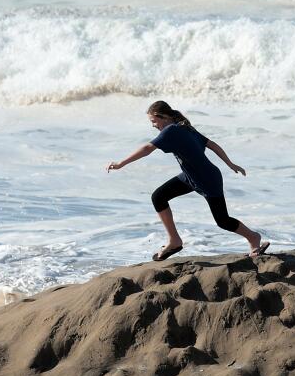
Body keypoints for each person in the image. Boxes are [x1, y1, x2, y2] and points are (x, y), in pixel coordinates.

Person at [106, 100, 269, 261]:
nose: (153, 125)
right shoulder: (184, 128)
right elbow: (211, 144)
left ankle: (253, 237)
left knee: (223, 220)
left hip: (207, 179)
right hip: (191, 177)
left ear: (163, 117)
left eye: (153, 121)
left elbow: (148, 148)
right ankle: (174, 241)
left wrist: (121, 163)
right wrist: (229, 163)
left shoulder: (171, 130)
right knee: (159, 197)